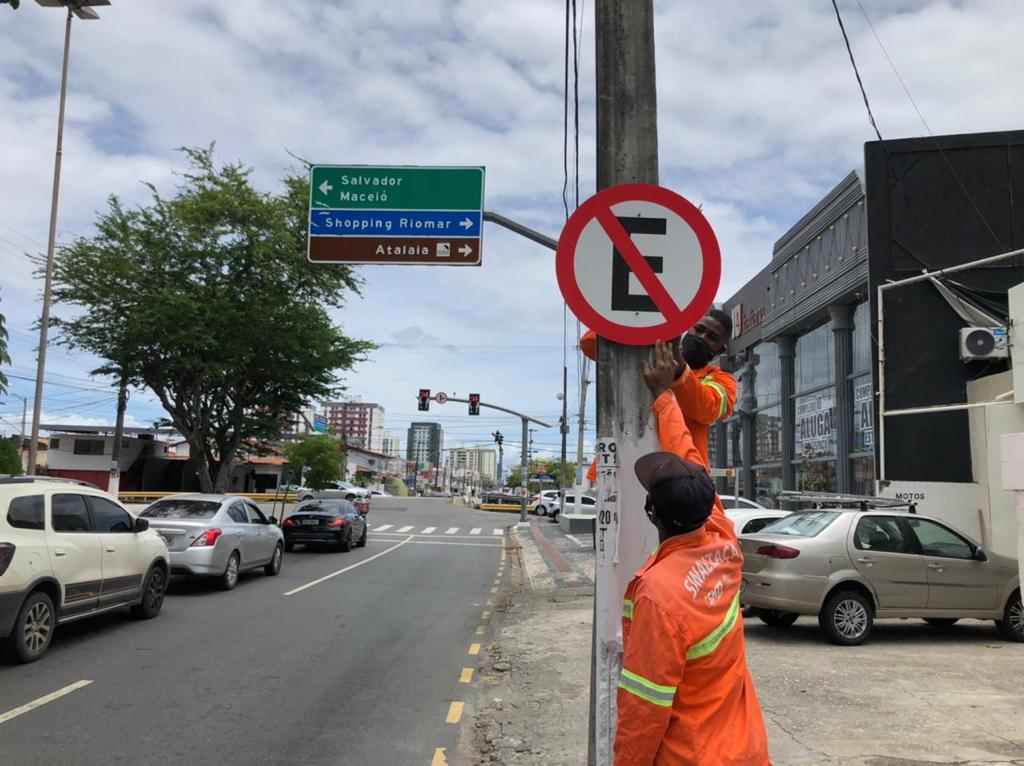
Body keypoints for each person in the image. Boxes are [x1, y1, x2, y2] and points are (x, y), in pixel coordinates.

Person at [613, 341, 770, 766]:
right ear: (708, 506)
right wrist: (666, 397)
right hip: (745, 751)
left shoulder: (658, 596)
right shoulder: (723, 542)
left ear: (652, 513)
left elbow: (644, 707)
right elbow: (688, 453)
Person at [582, 307, 737, 484]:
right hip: (620, 467)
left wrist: (676, 361)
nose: (702, 338)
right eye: (699, 329)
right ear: (689, 327)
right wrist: (641, 320)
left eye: (712, 337)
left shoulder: (722, 380)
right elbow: (590, 343)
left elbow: (706, 408)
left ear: (720, 350)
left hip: (677, 478)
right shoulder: (649, 353)